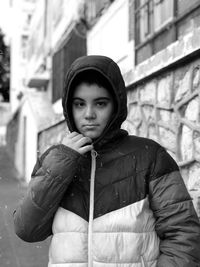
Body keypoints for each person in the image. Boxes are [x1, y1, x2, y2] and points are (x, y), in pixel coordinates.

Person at [13, 55, 200, 267]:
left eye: (100, 103)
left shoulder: (150, 156)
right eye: (79, 104)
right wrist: (63, 161)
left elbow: (184, 235)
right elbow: (27, 229)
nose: (89, 114)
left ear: (116, 105)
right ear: (68, 107)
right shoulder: (54, 159)